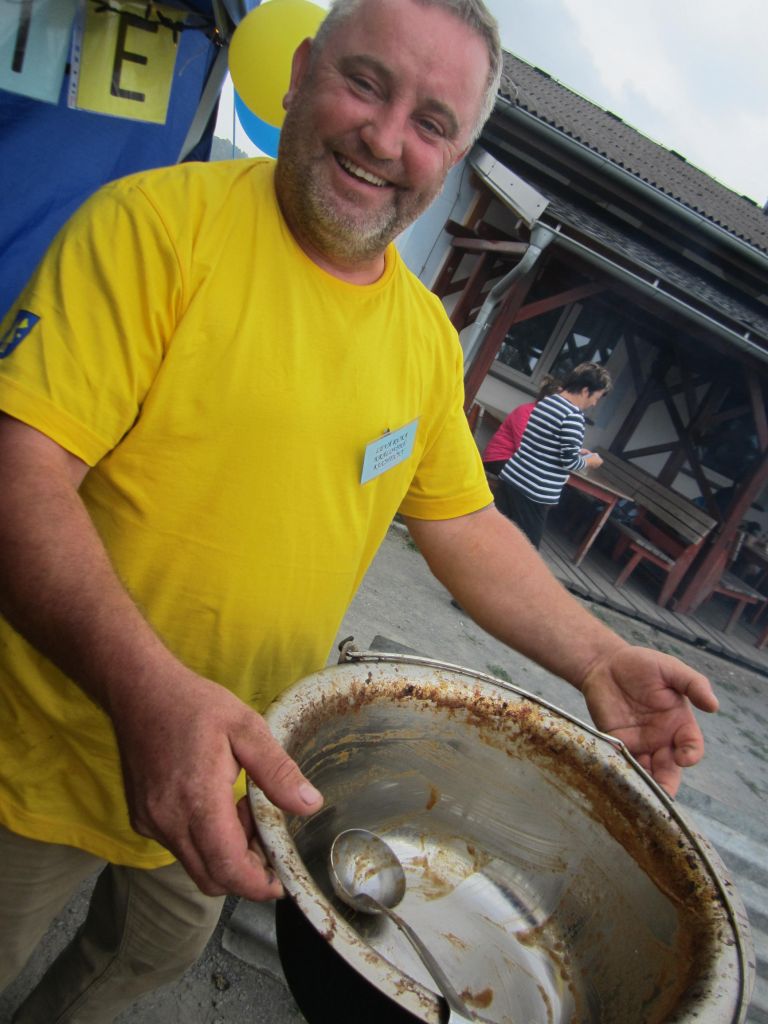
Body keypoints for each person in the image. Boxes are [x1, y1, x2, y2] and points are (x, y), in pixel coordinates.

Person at [0, 1, 718, 1020]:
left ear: (456, 154)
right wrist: (149, 693)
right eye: (365, 83)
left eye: (432, 122)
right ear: (300, 73)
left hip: (239, 765)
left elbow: (463, 524)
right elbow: (20, 476)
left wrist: (600, 657)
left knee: (142, 956)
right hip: (37, 746)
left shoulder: (423, 338)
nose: (385, 139)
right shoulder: (152, 227)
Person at [495, 363, 611, 548]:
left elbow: (542, 441)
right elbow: (570, 463)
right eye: (596, 397)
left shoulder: (548, 402)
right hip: (534, 490)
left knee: (495, 535)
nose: (594, 404)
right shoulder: (573, 416)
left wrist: (576, 451)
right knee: (527, 550)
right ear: (585, 391)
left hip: (512, 476)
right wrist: (591, 461)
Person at [482, 374, 559, 475]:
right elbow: (524, 446)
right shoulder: (525, 412)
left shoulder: (548, 419)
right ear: (547, 399)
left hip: (517, 461)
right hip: (498, 459)